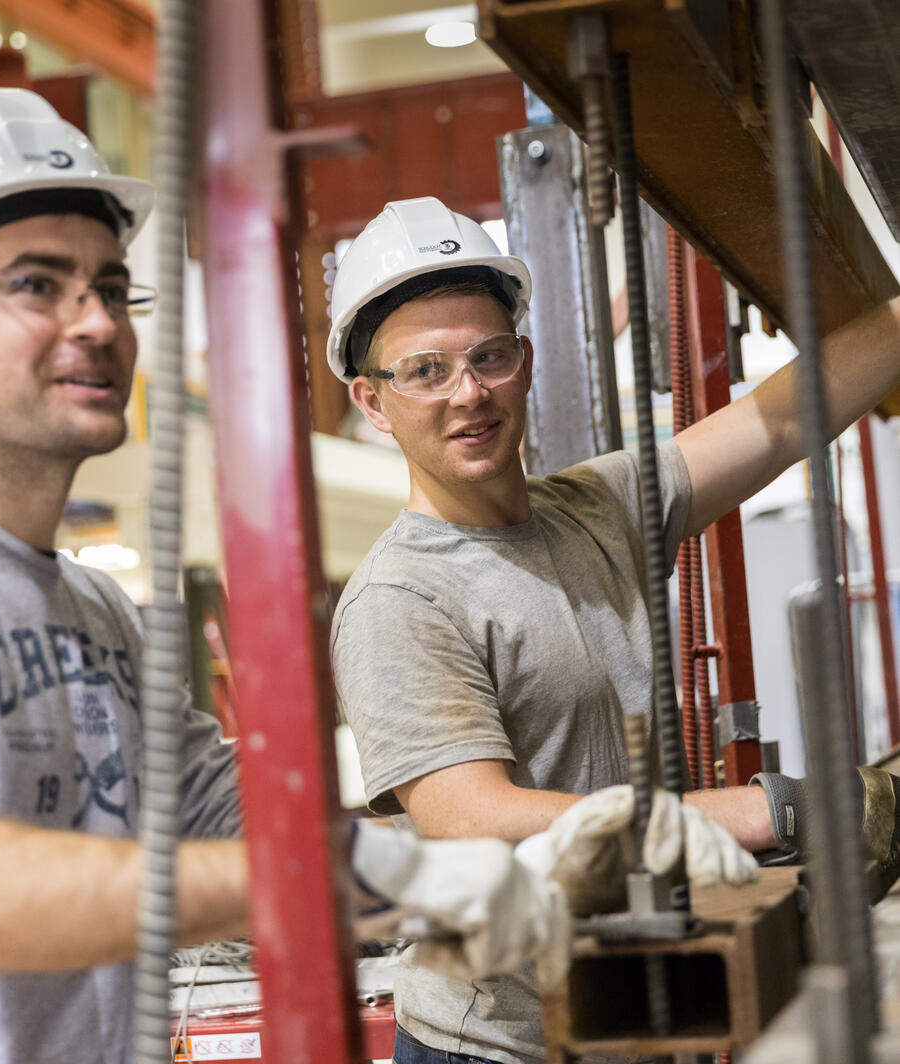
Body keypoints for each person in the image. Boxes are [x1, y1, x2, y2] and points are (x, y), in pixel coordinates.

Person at [0, 91, 757, 1064]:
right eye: (36, 284)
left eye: (109, 286)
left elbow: (237, 816)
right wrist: (382, 867)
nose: (97, 321)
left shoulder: (97, 611)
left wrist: (508, 853)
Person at [327, 196, 900, 1064]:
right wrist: (761, 811)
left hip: (633, 1004)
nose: (468, 393)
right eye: (426, 370)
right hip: (497, 1041)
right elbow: (469, 818)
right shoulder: (401, 597)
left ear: (525, 361)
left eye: (489, 357)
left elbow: (783, 420)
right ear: (373, 401)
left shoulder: (598, 507)